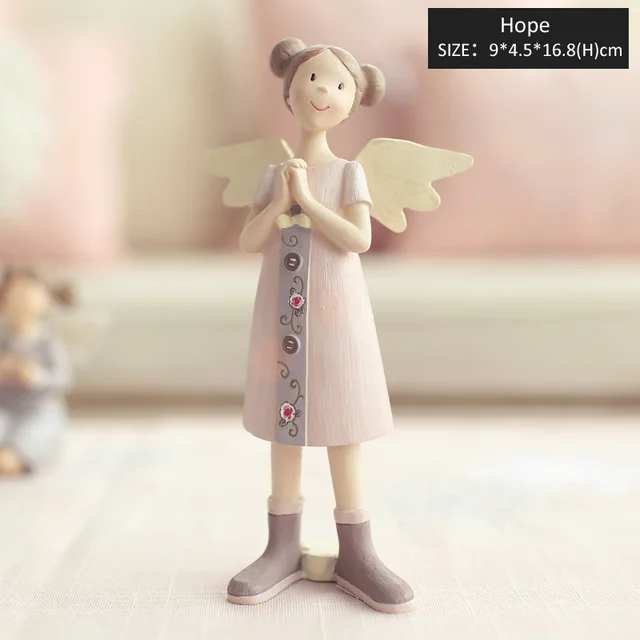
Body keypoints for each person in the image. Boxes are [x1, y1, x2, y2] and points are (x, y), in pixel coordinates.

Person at [227, 38, 414, 614]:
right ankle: (281, 548)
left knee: (342, 425)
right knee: (285, 429)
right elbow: (250, 240)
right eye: (312, 79)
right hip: (281, 325)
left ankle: (358, 552)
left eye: (338, 84)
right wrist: (280, 197)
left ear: (354, 100)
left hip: (339, 323)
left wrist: (306, 199)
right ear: (289, 91)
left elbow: (358, 239)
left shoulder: (349, 174)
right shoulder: (273, 174)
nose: (323, 92)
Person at [0, 267, 73, 476]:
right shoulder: (3, 343)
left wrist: (35, 375)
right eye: (15, 294)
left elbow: (62, 379)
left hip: (38, 412)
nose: (21, 301)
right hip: (5, 409)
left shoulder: (47, 343)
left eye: (27, 294)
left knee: (32, 437)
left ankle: (16, 458)